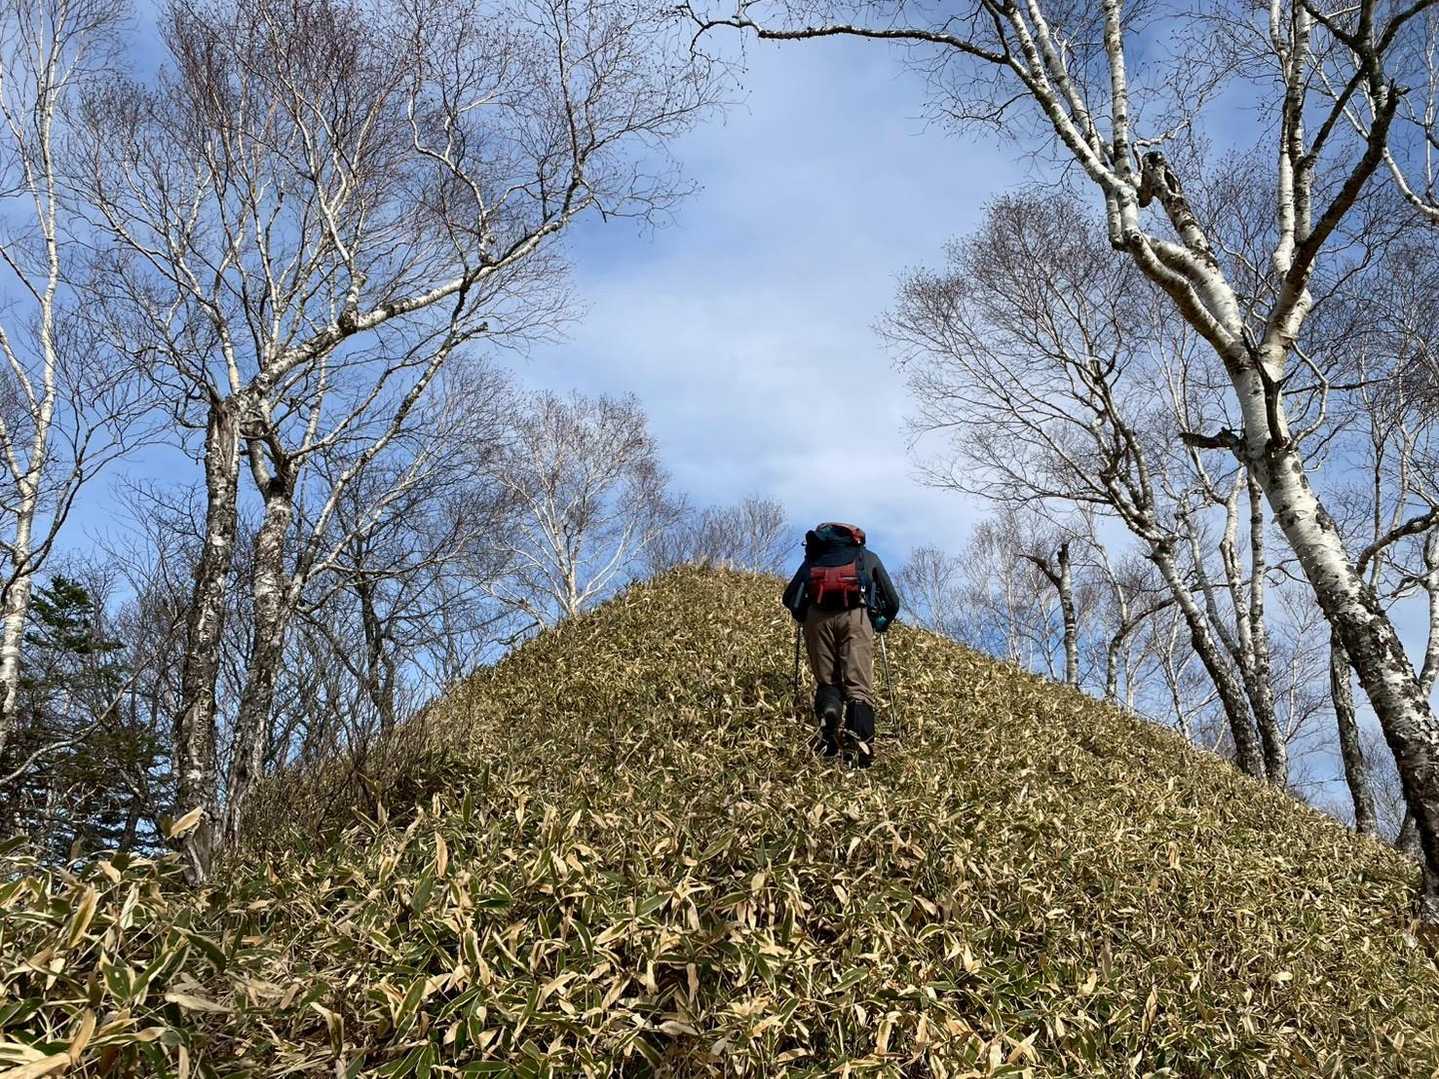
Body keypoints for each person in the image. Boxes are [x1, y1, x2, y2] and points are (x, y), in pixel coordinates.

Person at [782, 522, 900, 767]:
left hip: (817, 619)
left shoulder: (814, 559)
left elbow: (789, 597)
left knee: (827, 680)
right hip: (855, 617)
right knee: (858, 685)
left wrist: (803, 615)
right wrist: (881, 622)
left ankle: (829, 735)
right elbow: (892, 601)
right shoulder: (866, 557)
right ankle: (858, 753)